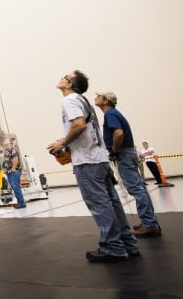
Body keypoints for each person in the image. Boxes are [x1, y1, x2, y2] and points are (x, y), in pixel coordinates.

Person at [47, 70, 140, 263]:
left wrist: (62, 143)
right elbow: (84, 128)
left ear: (70, 83)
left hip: (87, 161)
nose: (61, 77)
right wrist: (67, 141)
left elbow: (79, 125)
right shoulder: (83, 101)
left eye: (65, 76)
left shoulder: (70, 100)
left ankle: (113, 248)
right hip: (100, 158)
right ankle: (128, 244)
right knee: (113, 202)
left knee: (99, 205)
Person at [95, 92, 161, 238]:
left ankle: (150, 224)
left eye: (98, 96)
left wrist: (114, 151)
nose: (96, 98)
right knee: (140, 188)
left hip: (123, 153)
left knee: (136, 189)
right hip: (128, 152)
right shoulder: (114, 113)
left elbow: (118, 133)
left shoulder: (110, 114)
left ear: (106, 100)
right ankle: (150, 221)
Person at [2, 138, 26, 209]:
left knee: (15, 187)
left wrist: (13, 168)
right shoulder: (6, 150)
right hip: (9, 172)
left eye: (6, 140)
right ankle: (20, 202)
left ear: (10, 142)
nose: (4, 141)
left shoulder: (13, 149)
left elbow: (15, 159)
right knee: (15, 187)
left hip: (14, 171)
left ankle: (21, 203)